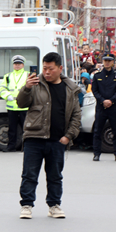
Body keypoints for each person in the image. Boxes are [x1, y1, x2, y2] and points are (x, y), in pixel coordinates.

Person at [16, 52, 82, 219]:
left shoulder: (70, 89)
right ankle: (26, 205)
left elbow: (76, 115)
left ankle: (54, 205)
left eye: (50, 69)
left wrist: (68, 136)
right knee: (29, 175)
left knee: (55, 176)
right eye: (44, 68)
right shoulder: (35, 83)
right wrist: (26, 88)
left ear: (60, 68)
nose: (46, 72)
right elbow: (21, 103)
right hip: (34, 137)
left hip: (58, 140)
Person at [91, 53, 116, 162]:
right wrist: (102, 100)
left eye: (109, 61)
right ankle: (96, 153)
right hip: (101, 107)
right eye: (105, 60)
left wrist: (111, 101)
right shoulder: (97, 75)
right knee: (97, 130)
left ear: (113, 62)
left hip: (113, 107)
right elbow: (95, 91)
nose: (107, 63)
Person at [0, 55, 29, 152]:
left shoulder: (28, 75)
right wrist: (7, 95)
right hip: (12, 106)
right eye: (15, 64)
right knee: (12, 128)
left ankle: (26, 147)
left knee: (26, 129)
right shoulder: (8, 76)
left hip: (24, 106)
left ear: (23, 65)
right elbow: (2, 88)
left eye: (19, 64)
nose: (17, 65)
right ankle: (11, 146)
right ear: (13, 65)